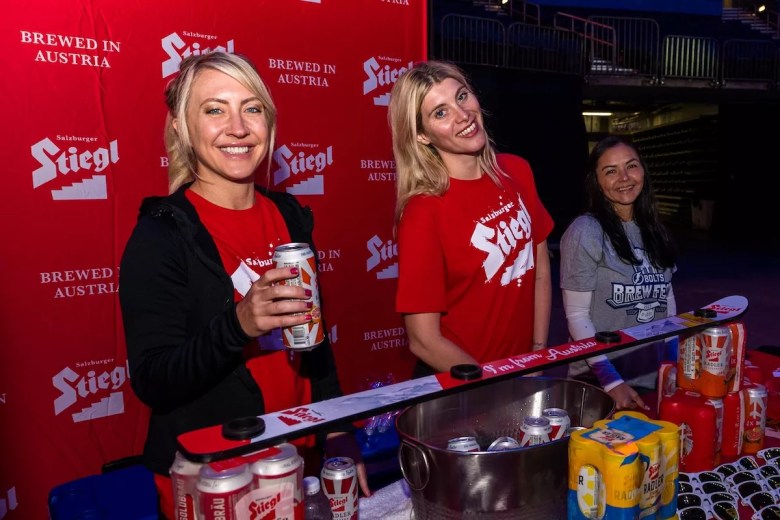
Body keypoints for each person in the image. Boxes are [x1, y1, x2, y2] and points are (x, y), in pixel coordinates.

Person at [118, 51, 369, 518]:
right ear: (182, 127)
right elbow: (153, 380)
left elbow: (316, 345)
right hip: (214, 482)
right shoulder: (162, 233)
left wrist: (336, 430)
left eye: (251, 108)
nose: (238, 127)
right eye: (215, 109)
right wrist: (238, 324)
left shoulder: (289, 215)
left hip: (294, 462)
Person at [389, 60, 554, 377]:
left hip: (523, 374)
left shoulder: (517, 170)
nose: (463, 115)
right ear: (422, 136)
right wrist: (494, 384)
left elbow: (540, 269)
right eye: (441, 113)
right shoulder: (423, 211)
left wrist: (536, 353)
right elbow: (423, 340)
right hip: (466, 385)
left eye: (462, 96)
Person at [559, 134, 678, 410]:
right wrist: (610, 380)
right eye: (611, 171)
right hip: (599, 381)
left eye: (631, 166)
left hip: (650, 376)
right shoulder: (586, 231)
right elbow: (577, 316)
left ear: (643, 170)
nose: (624, 178)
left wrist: (672, 362)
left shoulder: (655, 230)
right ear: (597, 182)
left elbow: (667, 303)